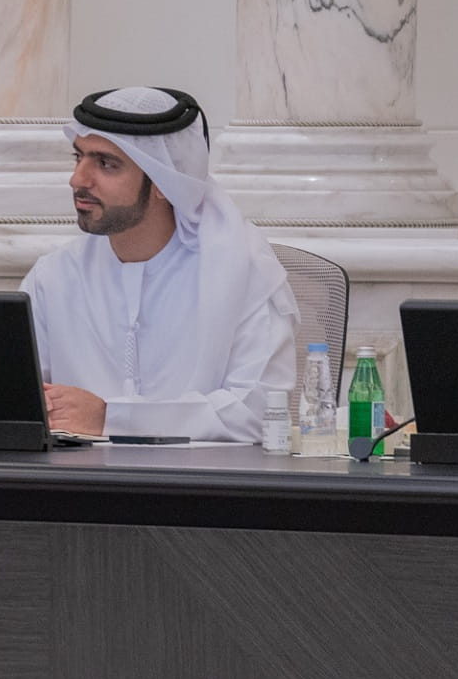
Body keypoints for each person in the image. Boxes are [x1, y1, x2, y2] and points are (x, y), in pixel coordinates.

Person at [19, 86, 298, 442]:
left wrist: (111, 418)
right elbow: (16, 397)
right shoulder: (53, 277)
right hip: (75, 476)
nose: (78, 180)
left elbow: (260, 414)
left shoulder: (245, 273)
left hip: (201, 478)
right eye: (79, 157)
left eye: (106, 164)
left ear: (165, 183)